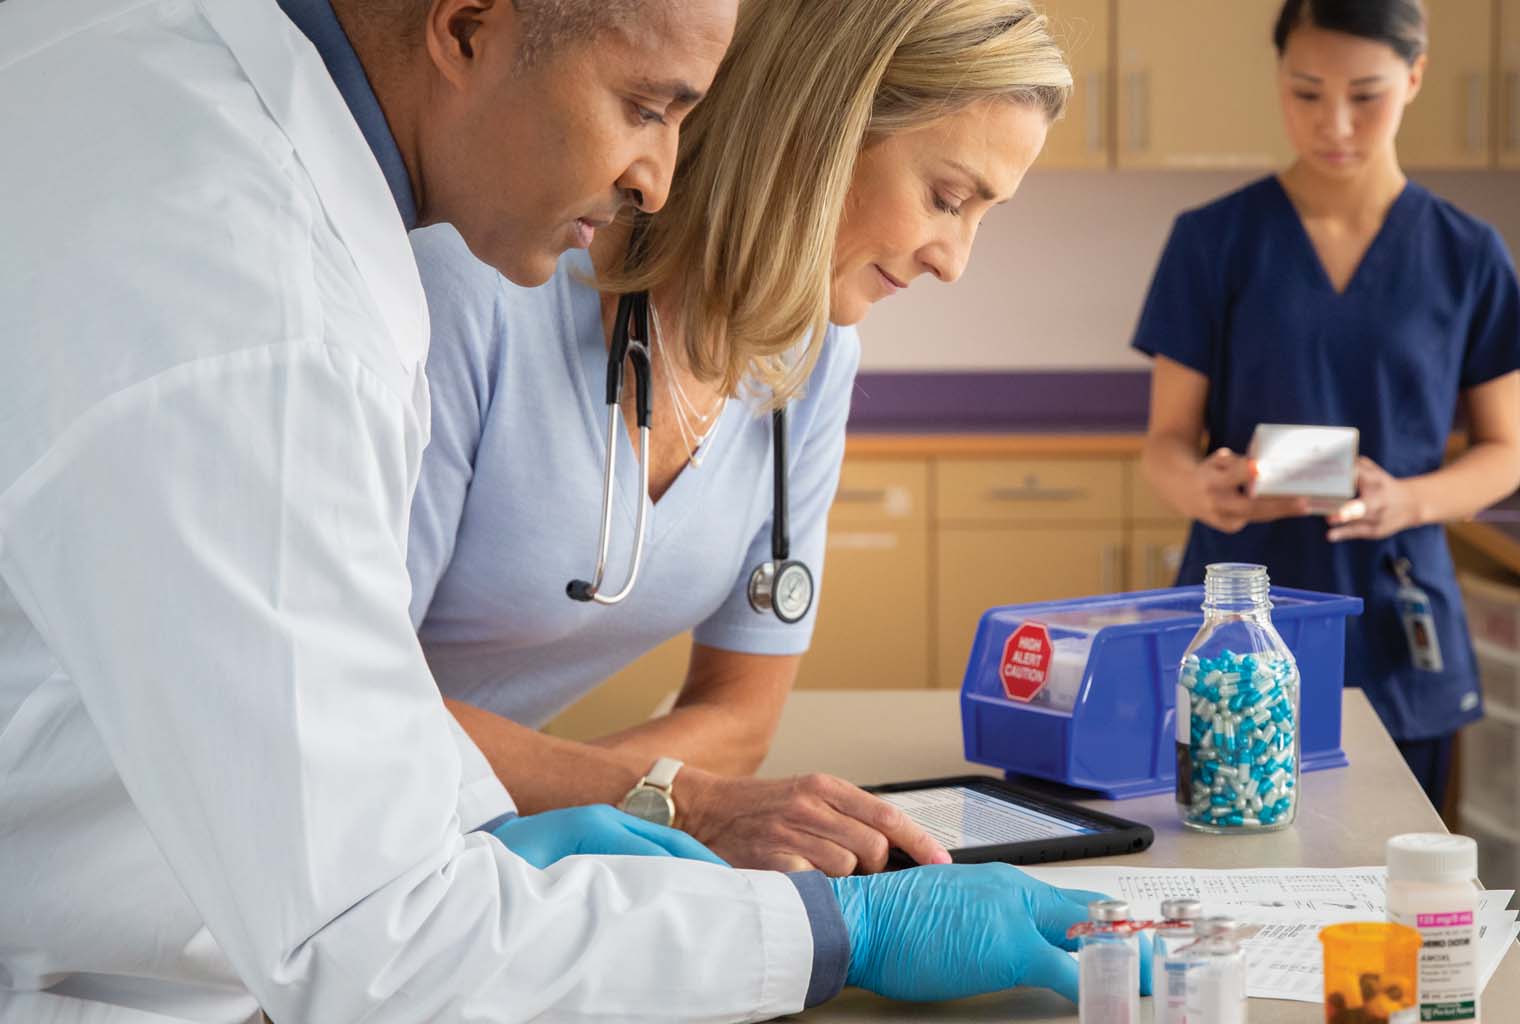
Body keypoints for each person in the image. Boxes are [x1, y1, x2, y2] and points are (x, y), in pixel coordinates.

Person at [0, 0, 1109, 1020]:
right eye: (648, 105)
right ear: (469, 25)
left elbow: (363, 787)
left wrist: (561, 830)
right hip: (124, 958)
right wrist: (825, 928)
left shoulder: (257, 181)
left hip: (234, 911)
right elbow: (380, 939)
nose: (661, 178)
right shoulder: (309, 313)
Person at [407, 0, 1073, 877]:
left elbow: (740, 717)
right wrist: (671, 801)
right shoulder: (478, 288)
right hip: (290, 844)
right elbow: (352, 694)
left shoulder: (811, 359)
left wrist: (576, 817)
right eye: (947, 199)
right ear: (813, 131)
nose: (953, 259)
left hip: (454, 835)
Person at [1134, 0, 1520, 812]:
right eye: (1306, 92)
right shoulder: (1213, 241)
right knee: (1228, 853)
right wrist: (1204, 488)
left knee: (1387, 875)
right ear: (1278, 79)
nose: (1335, 124)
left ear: (1416, 77)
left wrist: (1408, 500)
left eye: (1367, 93)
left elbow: (1505, 450)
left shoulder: (1466, 254)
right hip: (1236, 615)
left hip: (1395, 613)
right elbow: (1165, 443)